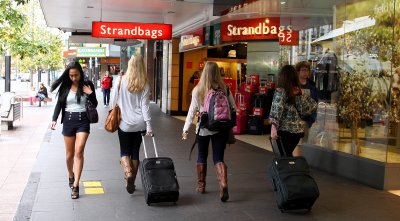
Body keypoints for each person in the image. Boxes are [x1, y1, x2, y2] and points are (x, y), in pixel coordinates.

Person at [182, 61, 236, 202]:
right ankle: (223, 183)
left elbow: (191, 111)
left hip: (204, 128)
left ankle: (201, 186)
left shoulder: (198, 90)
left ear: (204, 73)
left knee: (202, 155)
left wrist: (185, 129)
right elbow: (234, 108)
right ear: (218, 73)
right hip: (221, 128)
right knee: (218, 158)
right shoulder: (225, 88)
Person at [50, 61, 98, 199]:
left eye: (76, 75)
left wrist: (91, 93)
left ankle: (76, 184)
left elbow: (94, 104)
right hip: (68, 121)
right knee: (69, 155)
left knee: (79, 151)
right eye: (71, 75)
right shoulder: (65, 86)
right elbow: (59, 104)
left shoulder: (87, 84)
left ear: (80, 73)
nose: (74, 78)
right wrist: (54, 119)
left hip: (83, 120)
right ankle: (70, 175)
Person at [109, 55, 153, 194]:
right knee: (135, 152)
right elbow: (145, 107)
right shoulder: (144, 83)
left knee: (124, 151)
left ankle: (128, 173)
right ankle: (132, 181)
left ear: (130, 65)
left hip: (124, 124)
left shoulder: (121, 80)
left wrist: (111, 112)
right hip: (140, 124)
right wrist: (149, 126)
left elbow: (113, 99)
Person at [269, 65, 317, 157]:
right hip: (297, 132)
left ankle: (294, 170)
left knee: (283, 158)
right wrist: (304, 96)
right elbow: (312, 106)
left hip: (284, 131)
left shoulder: (280, 91)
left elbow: (276, 109)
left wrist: (273, 127)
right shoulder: (299, 91)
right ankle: (294, 169)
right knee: (287, 156)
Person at [293, 61, 319, 156]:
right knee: (298, 143)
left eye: (307, 70)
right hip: (296, 119)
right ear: (298, 72)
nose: (306, 72)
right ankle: (297, 162)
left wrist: (314, 119)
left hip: (309, 119)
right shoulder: (294, 85)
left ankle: (300, 161)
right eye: (303, 70)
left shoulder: (312, 86)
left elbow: (315, 103)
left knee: (305, 143)